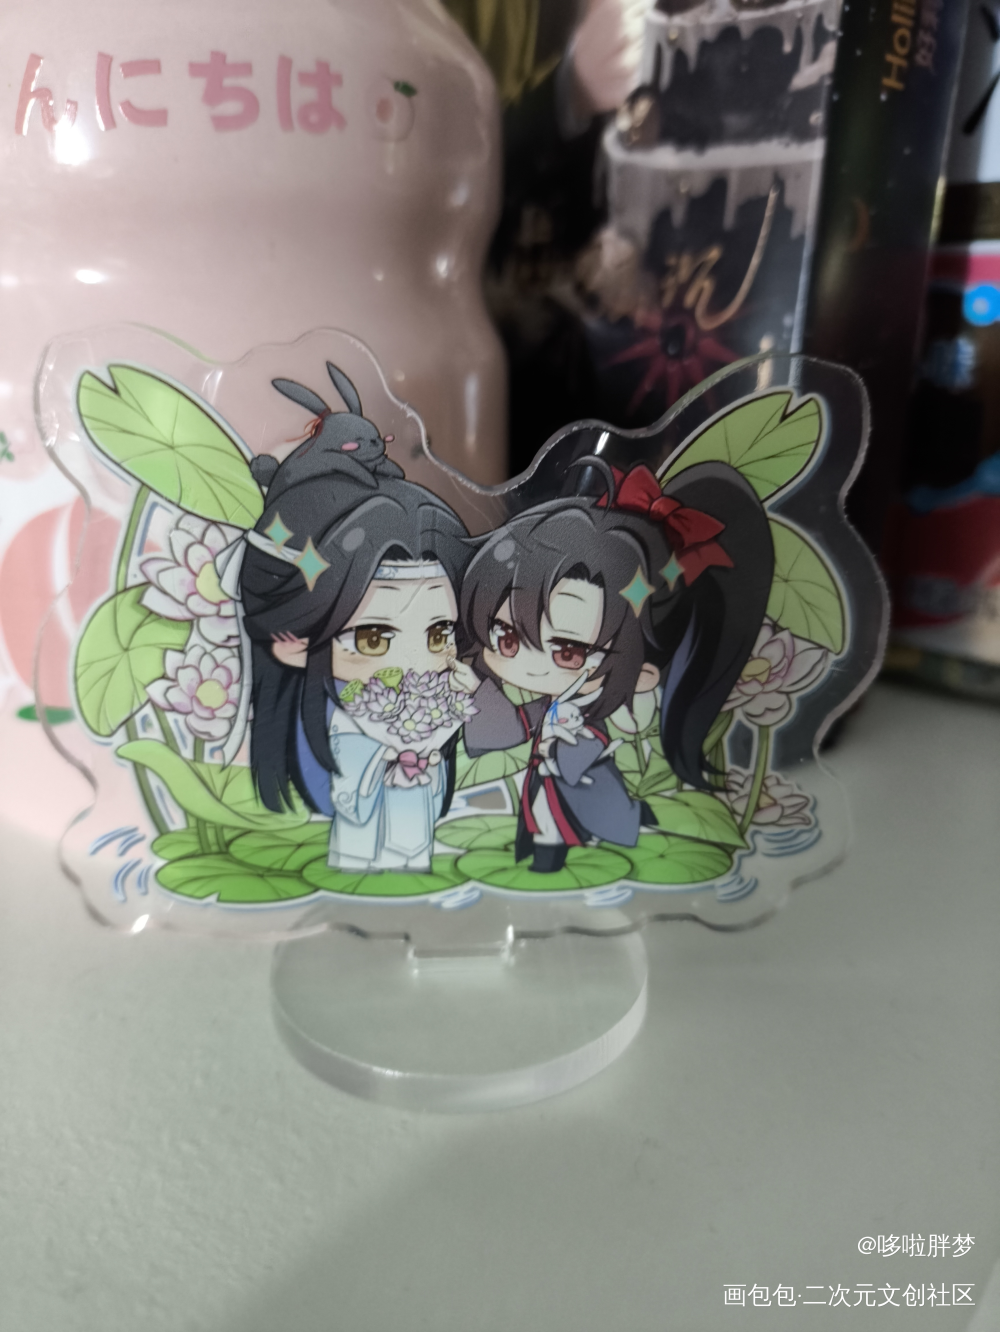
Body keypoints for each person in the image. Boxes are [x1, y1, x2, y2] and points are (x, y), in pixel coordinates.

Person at [459, 455, 773, 871]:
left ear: (643, 674)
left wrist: (558, 749)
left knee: (562, 824)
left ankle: (574, 846)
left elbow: (587, 749)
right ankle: (546, 855)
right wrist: (473, 690)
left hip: (584, 791)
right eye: (507, 637)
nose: (529, 665)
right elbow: (509, 727)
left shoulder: (591, 718)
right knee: (542, 819)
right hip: (547, 785)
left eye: (567, 653)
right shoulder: (548, 706)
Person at [238, 365, 476, 874]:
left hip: (417, 828)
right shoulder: (338, 724)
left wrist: (424, 752)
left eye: (440, 632)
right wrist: (393, 755)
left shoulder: (433, 699)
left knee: (411, 843)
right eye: (372, 638)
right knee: (357, 842)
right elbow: (345, 786)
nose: (417, 661)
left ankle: (408, 857)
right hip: (350, 819)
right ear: (291, 640)